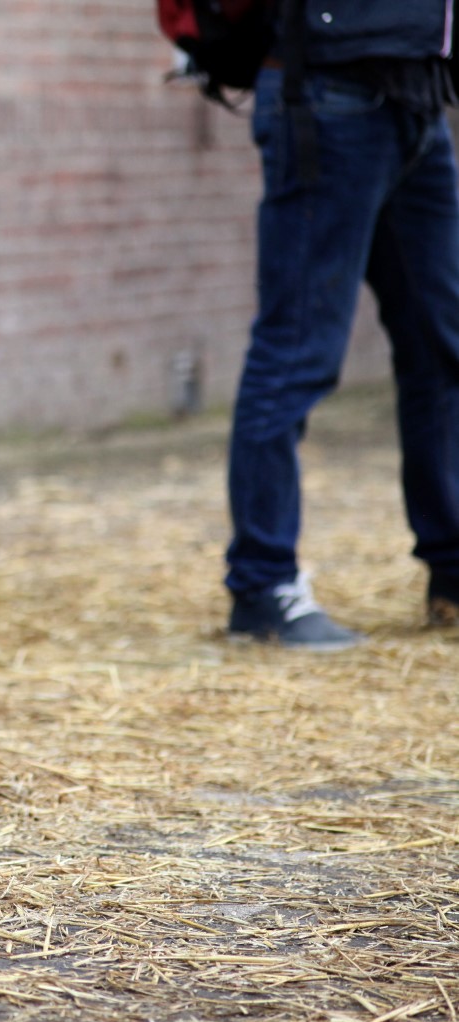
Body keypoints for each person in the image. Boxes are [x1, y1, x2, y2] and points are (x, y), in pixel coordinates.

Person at [225, 1, 459, 649]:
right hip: (328, 92)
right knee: (298, 349)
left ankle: (452, 572)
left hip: (418, 99)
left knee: (443, 345)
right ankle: (262, 586)